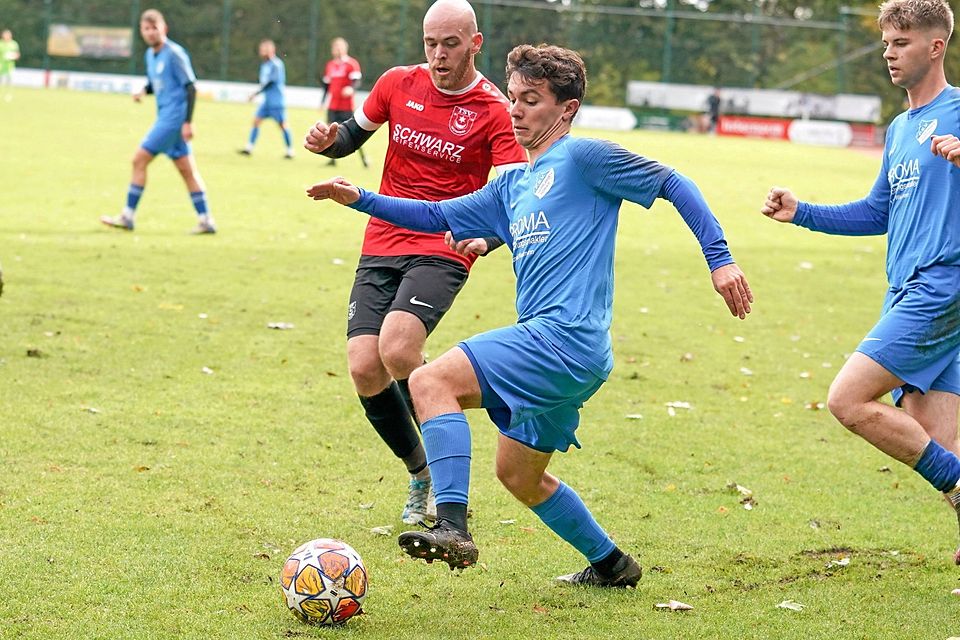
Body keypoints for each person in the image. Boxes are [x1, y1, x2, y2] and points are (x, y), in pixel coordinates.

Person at [307, 43, 753, 586]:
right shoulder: (513, 186)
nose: (515, 109)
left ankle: (450, 525)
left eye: (532, 100)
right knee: (518, 475)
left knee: (428, 380)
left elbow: (672, 182)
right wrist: (361, 198)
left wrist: (720, 259)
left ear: (565, 110)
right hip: (564, 351)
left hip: (564, 339)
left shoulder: (584, 158)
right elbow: (434, 213)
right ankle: (613, 566)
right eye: (513, 97)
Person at [304, 0, 526, 528]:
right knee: (363, 367)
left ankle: (448, 479)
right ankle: (422, 472)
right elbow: (350, 137)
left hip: (444, 242)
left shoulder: (494, 109)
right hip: (382, 236)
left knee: (399, 347)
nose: (438, 55)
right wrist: (327, 141)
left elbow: (517, 195)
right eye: (430, 43)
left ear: (476, 42)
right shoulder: (398, 83)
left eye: (450, 44)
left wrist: (485, 241)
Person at [760, 0, 960, 564]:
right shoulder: (900, 129)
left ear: (936, 46)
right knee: (939, 443)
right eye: (886, 43)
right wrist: (801, 211)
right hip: (908, 289)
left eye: (901, 43)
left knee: (847, 400)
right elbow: (878, 213)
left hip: (942, 285)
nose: (888, 54)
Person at [101, 9, 215, 234]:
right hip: (166, 118)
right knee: (187, 171)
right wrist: (144, 90)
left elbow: (190, 87)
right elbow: (156, 82)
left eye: (155, 28)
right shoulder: (150, 55)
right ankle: (206, 220)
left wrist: (187, 122)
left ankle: (127, 216)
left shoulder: (174, 53)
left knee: (138, 160)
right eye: (146, 28)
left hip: (172, 121)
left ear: (164, 29)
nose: (151, 32)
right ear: (142, 32)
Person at [239, 39, 294, 159]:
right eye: (262, 49)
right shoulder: (265, 65)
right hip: (267, 101)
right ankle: (249, 148)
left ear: (272, 50)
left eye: (266, 49)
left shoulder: (276, 64)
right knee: (256, 121)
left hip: (276, 101)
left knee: (283, 125)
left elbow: (270, 82)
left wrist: (255, 93)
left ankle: (290, 150)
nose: (263, 52)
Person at [320, 38, 367, 168]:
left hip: (346, 106)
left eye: (340, 47)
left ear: (345, 48)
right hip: (333, 106)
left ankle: (364, 158)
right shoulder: (330, 65)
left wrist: (351, 88)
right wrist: (322, 102)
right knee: (330, 132)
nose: (338, 50)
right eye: (335, 47)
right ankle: (332, 159)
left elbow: (357, 81)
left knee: (353, 134)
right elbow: (326, 86)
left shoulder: (351, 64)